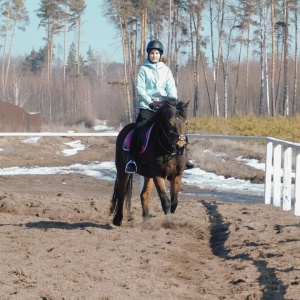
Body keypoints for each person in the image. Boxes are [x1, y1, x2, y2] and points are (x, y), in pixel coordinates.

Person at [125, 40, 194, 174]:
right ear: (148, 54)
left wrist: (170, 103)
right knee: (139, 127)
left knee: (179, 126)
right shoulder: (143, 70)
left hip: (164, 107)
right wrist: (150, 101)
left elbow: (171, 89)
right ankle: (131, 159)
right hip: (147, 106)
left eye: (156, 53)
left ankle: (187, 155)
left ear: (160, 55)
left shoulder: (166, 70)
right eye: (152, 53)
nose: (154, 55)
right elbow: (140, 89)